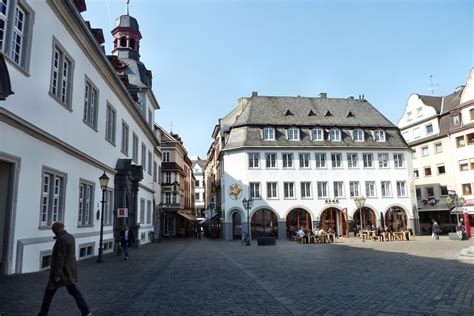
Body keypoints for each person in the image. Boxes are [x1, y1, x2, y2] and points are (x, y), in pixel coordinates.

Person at [38, 222, 91, 316]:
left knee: (49, 292)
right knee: (73, 291)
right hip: (69, 270)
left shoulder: (61, 240)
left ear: (57, 229)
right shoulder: (70, 237)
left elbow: (60, 258)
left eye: (53, 231)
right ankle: (86, 311)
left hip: (63, 272)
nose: (53, 232)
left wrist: (57, 274)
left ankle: (42, 314)